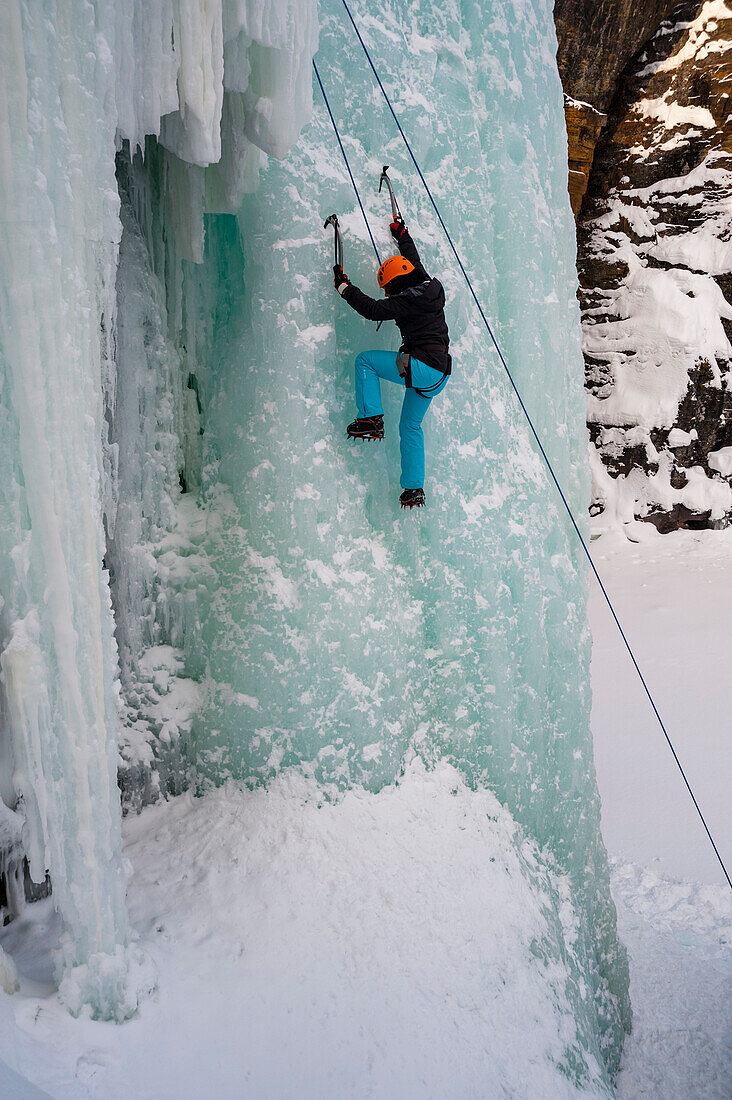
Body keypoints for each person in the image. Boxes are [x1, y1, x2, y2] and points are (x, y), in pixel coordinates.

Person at [333, 217, 451, 508]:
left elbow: (373, 310)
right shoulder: (426, 284)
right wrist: (402, 234)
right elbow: (412, 260)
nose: (387, 294)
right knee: (410, 426)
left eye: (388, 288)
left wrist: (344, 287)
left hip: (422, 367)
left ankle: (371, 418)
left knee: (365, 362)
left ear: (396, 284)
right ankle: (414, 489)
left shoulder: (405, 299)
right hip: (440, 373)